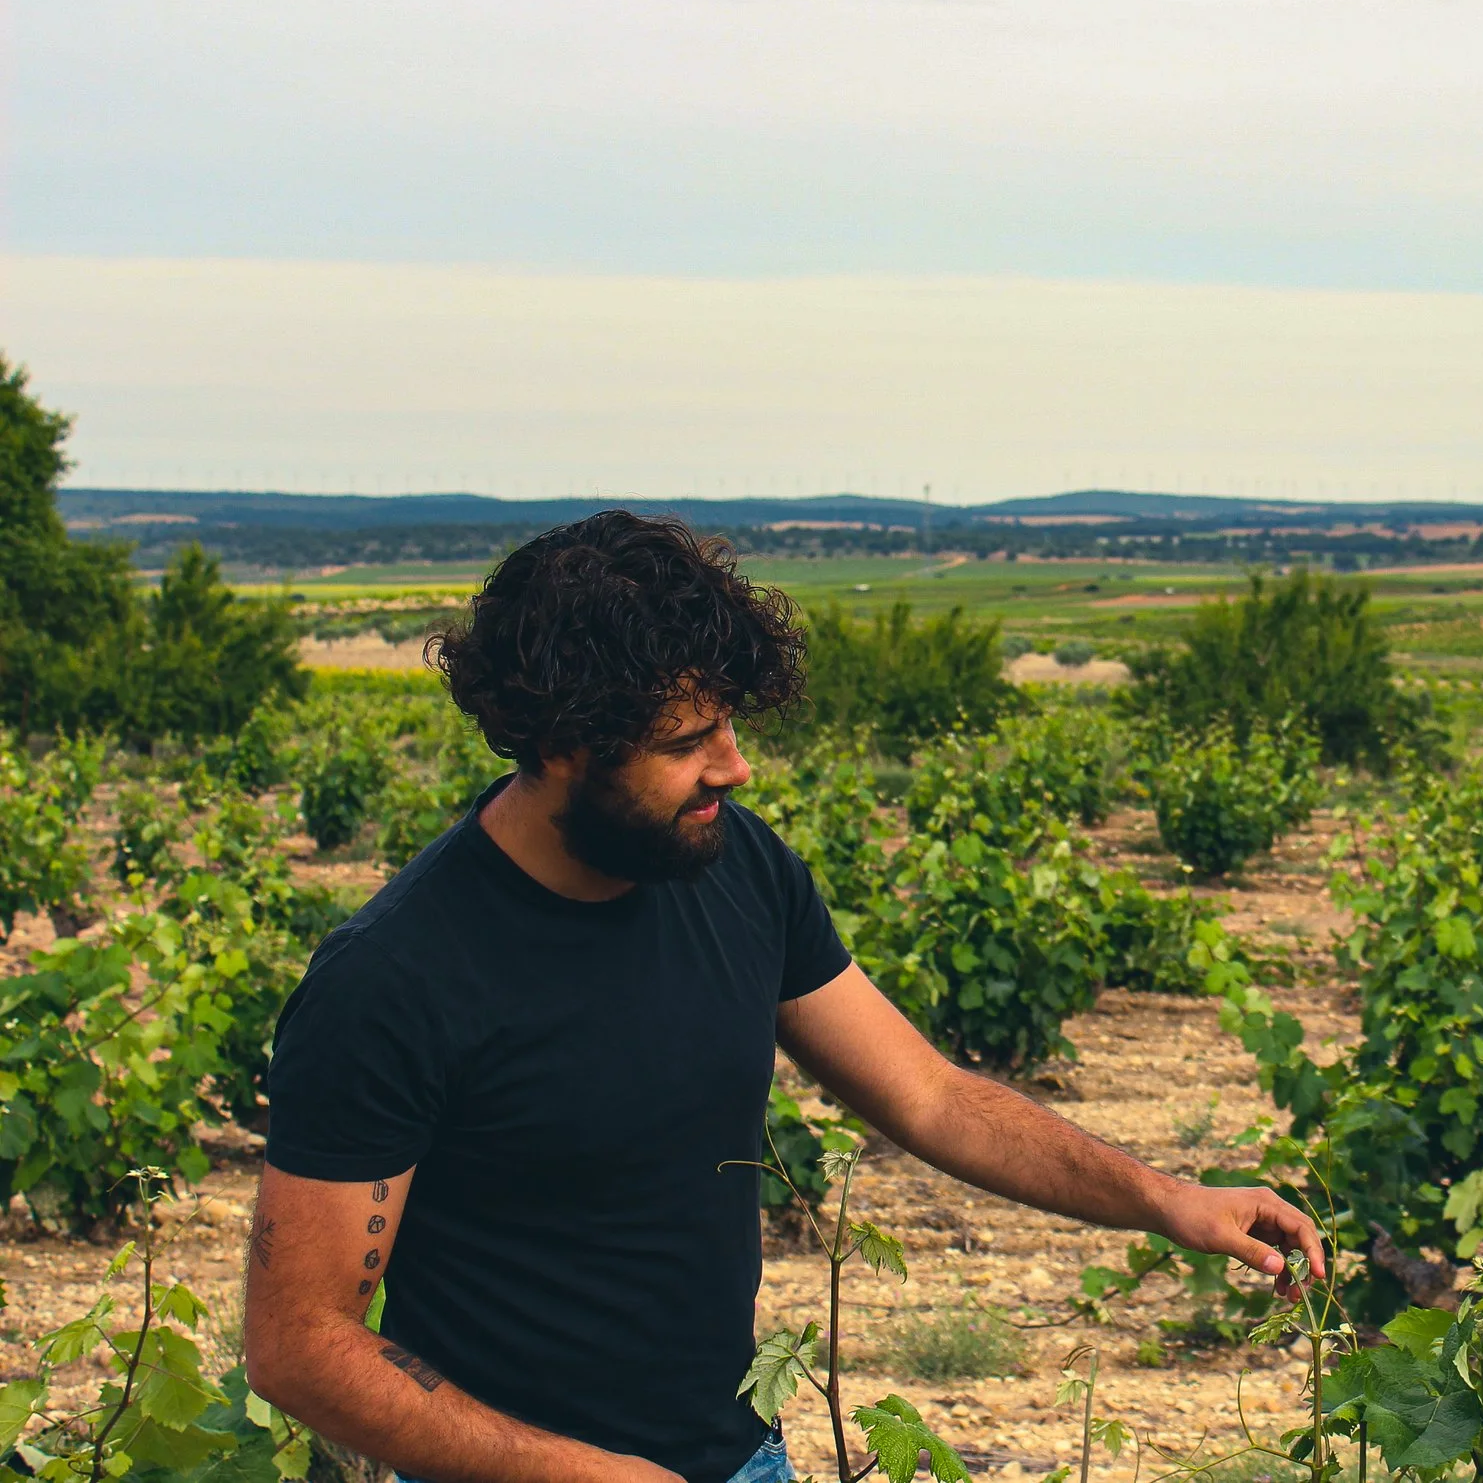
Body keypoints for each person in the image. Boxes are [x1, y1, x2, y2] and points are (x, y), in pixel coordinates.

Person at [243, 512, 1324, 1483]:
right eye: (684, 743)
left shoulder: (734, 865)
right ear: (561, 744)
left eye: (729, 724)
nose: (734, 768)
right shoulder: (394, 978)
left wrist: (1163, 1196)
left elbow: (931, 1096)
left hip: (745, 1459)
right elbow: (300, 1339)